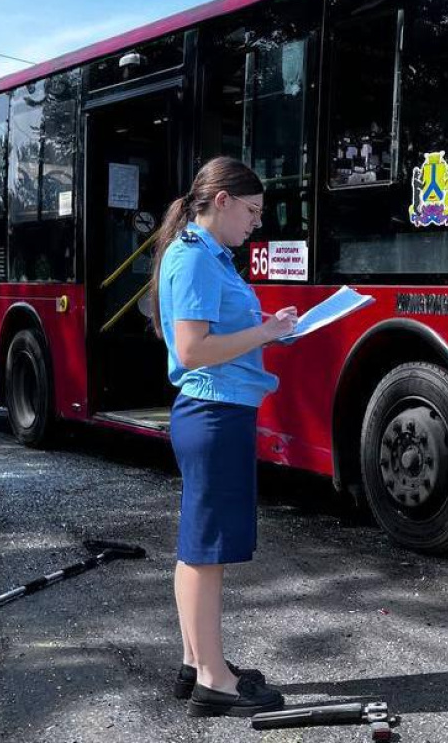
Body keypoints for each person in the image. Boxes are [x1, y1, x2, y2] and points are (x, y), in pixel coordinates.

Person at [148, 156, 297, 718]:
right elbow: (190, 350)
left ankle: (199, 660)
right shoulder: (194, 259)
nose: (257, 223)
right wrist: (265, 331)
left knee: (200, 547)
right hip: (213, 416)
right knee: (205, 552)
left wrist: (267, 331)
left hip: (216, 413)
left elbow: (215, 338)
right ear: (224, 201)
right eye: (253, 212)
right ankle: (214, 679)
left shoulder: (206, 255)